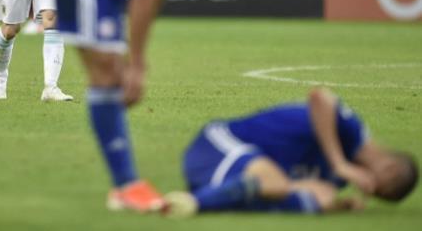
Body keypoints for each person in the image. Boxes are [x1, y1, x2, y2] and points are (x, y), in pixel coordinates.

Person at [53, 0, 295, 212]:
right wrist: (137, 64)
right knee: (107, 75)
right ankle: (126, 186)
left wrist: (132, 59)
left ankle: (126, 185)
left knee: (108, 77)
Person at [166, 87, 418, 215]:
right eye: (376, 184)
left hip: (226, 176)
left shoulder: (339, 180)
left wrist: (338, 205)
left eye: (374, 193)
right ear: (389, 167)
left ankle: (215, 198)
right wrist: (339, 162)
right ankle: (192, 203)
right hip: (218, 144)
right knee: (274, 181)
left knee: (322, 196)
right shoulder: (352, 132)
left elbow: (296, 186)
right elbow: (320, 97)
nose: (367, 188)